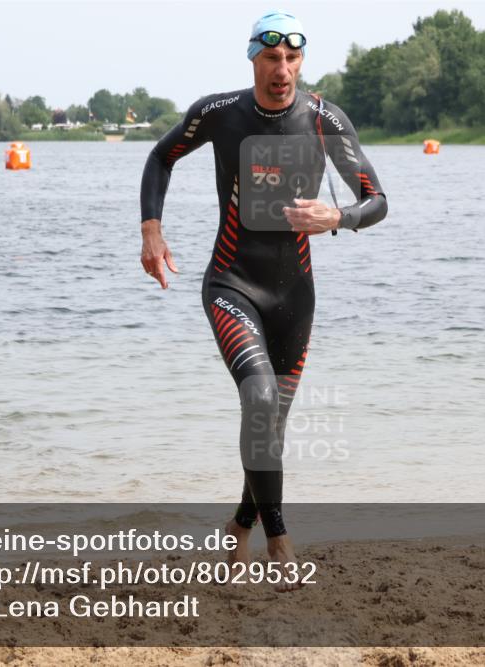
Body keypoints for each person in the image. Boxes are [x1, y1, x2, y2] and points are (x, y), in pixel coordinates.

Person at [138, 11, 387, 590]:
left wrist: (337, 216)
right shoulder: (220, 113)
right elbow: (160, 157)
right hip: (232, 283)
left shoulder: (324, 120)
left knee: (269, 425)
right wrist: (152, 229)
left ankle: (239, 525)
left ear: (301, 61)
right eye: (272, 58)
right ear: (254, 58)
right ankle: (280, 541)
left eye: (292, 58)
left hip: (294, 295)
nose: (282, 70)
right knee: (258, 396)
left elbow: (376, 200)